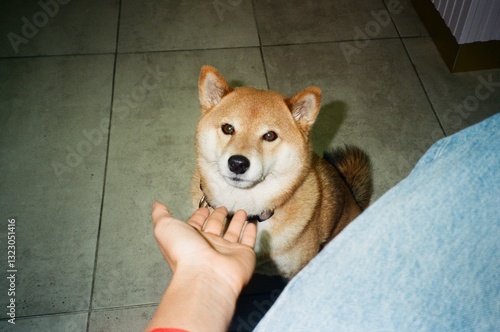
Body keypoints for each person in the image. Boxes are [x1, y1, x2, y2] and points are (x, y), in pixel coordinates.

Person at [146, 113, 499, 332]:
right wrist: (204, 279)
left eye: (269, 136)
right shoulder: (205, 193)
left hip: (331, 233)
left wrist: (200, 284)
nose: (240, 151)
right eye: (227, 128)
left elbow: (304, 274)